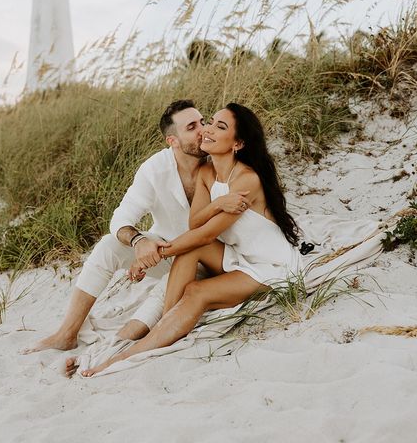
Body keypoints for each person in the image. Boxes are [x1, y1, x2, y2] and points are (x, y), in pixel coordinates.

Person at [73, 103, 302, 377]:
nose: (208, 129)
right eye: (210, 123)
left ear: (238, 143)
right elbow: (195, 224)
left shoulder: (247, 180)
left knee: (196, 291)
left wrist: (154, 254)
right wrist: (219, 204)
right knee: (191, 250)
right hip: (236, 257)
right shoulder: (207, 173)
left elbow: (205, 233)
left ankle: (130, 353)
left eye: (219, 126)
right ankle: (162, 328)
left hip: (268, 267)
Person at [23, 100, 250, 354]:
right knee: (108, 245)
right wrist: (139, 242)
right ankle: (67, 333)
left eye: (203, 121)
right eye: (191, 127)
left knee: (167, 286)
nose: (203, 130)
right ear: (172, 140)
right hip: (168, 251)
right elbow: (120, 220)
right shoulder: (155, 169)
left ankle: (114, 347)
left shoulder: (219, 158)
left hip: (214, 258)